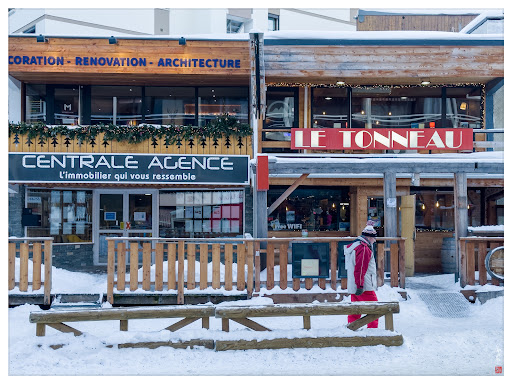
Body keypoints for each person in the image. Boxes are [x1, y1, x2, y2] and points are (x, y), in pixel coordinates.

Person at [345, 220, 378, 328]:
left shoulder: (357, 246)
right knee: (375, 309)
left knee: (356, 309)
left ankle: (352, 327)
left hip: (357, 283)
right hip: (364, 285)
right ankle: (372, 331)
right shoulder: (364, 249)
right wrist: (360, 285)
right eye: (374, 238)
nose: (375, 240)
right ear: (369, 237)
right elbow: (360, 269)